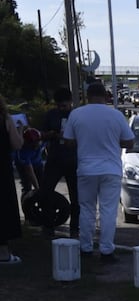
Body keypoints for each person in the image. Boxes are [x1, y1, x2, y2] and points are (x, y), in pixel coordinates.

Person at [62, 81, 135, 262]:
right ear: (106, 96)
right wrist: (113, 142)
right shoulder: (116, 115)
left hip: (86, 168)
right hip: (111, 168)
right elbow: (129, 142)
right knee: (108, 211)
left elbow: (68, 141)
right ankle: (106, 251)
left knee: (86, 209)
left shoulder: (76, 114)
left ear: (87, 96)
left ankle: (85, 249)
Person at [39, 87, 79, 238]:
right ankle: (48, 225)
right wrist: (53, 134)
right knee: (45, 192)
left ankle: (75, 228)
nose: (61, 108)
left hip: (74, 159)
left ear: (70, 102)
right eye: (59, 106)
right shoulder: (51, 115)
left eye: (64, 105)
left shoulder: (76, 116)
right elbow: (42, 134)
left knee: (76, 197)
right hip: (55, 158)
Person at [1, 93, 25, 264]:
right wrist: (20, 130)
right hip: (2, 170)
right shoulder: (5, 119)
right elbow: (17, 144)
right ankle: (3, 253)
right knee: (4, 209)